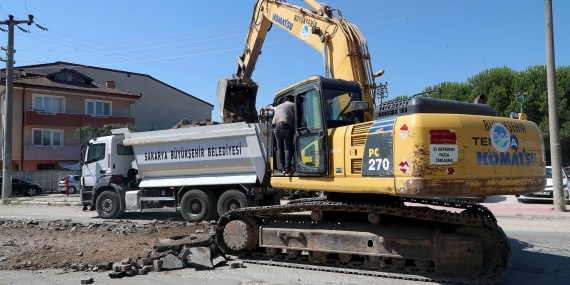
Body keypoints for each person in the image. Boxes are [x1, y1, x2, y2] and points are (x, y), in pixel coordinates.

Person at [262, 96, 295, 175]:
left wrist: (263, 117)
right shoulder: (293, 105)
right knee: (288, 148)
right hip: (286, 127)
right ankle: (288, 167)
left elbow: (264, 108)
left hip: (276, 128)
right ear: (291, 99)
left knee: (280, 149)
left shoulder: (278, 106)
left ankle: (282, 168)